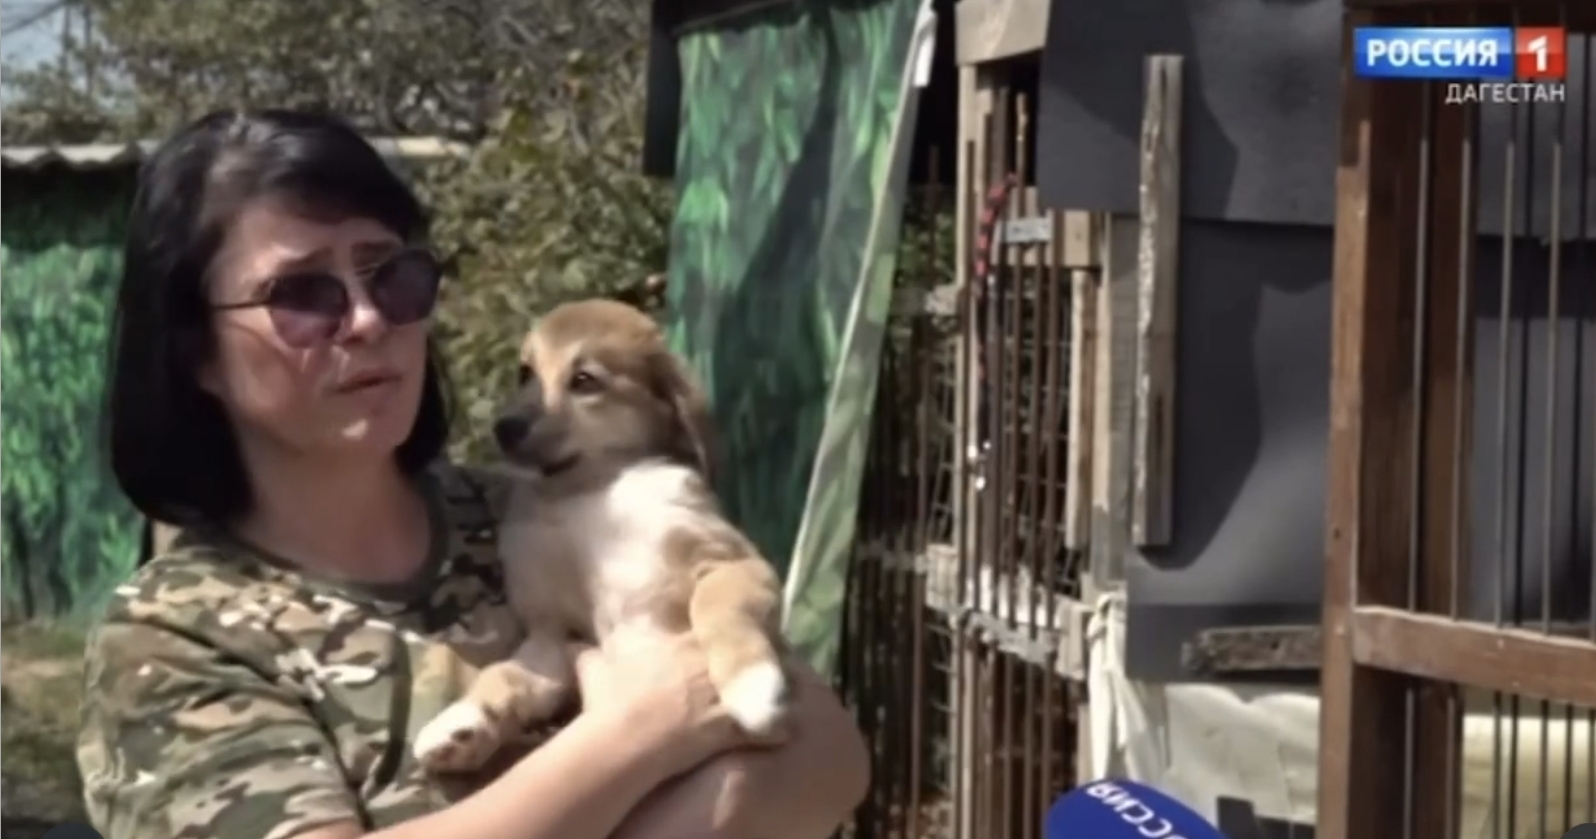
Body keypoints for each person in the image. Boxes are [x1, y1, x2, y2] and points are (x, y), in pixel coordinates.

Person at [78, 109, 870, 839]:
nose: (368, 319)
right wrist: (638, 731)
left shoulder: (540, 507)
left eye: (391, 275)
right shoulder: (176, 633)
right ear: (198, 353)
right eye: (303, 295)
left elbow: (830, 753)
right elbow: (711, 729)